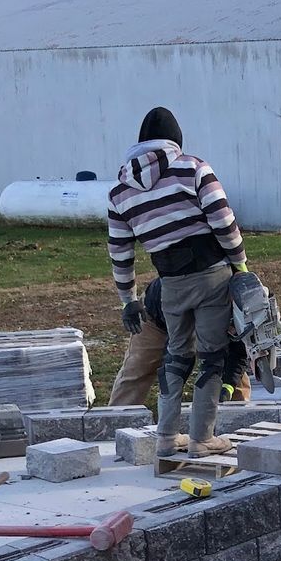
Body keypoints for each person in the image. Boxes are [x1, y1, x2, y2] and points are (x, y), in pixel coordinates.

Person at [107, 107, 248, 453]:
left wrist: (128, 300)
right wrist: (240, 265)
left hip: (170, 283)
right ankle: (202, 439)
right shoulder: (193, 169)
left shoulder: (119, 192)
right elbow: (224, 222)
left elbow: (120, 253)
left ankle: (167, 437)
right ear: (175, 141)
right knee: (211, 357)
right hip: (210, 276)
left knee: (176, 357)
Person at [108, 276, 251, 410]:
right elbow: (175, 356)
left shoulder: (242, 304)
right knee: (138, 369)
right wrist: (170, 395)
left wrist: (228, 385)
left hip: (211, 318)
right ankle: (118, 419)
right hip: (157, 319)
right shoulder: (179, 294)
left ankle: (239, 417)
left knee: (233, 378)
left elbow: (239, 351)